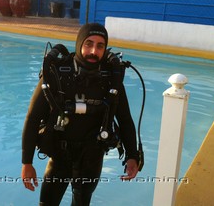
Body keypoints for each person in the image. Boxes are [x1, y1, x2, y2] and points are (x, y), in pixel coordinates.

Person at [21, 23, 140, 206]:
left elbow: (124, 119)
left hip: (92, 157)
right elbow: (33, 118)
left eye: (100, 46)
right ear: (79, 44)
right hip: (59, 155)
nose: (94, 51)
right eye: (89, 43)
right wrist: (26, 162)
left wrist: (132, 155)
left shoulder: (111, 79)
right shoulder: (56, 73)